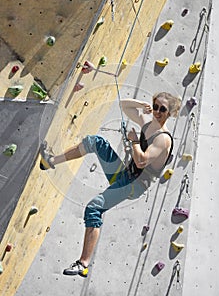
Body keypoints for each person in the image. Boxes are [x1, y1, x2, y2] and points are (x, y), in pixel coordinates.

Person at [40, 92, 181, 277]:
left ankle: (83, 263)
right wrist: (141, 104)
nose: (157, 111)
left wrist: (134, 141)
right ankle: (50, 161)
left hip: (133, 185)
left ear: (170, 113)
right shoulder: (148, 125)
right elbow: (124, 106)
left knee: (94, 208)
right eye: (155, 106)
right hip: (125, 175)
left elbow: (141, 161)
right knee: (95, 142)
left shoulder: (163, 139)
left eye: (163, 109)